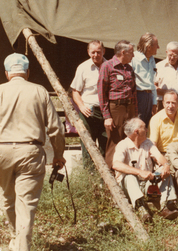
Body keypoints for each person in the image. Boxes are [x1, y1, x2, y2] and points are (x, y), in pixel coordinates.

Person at [0, 53, 66, 251]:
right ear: (27, 72)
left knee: (7, 198)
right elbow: (55, 129)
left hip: (2, 150)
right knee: (26, 203)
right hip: (30, 151)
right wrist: (59, 154)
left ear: (6, 73)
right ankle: (22, 247)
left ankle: (15, 240)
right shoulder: (40, 91)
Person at [112, 118, 178, 221]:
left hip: (147, 183)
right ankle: (141, 207)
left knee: (165, 172)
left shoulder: (148, 143)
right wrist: (139, 172)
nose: (147, 130)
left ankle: (165, 206)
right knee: (129, 177)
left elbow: (159, 156)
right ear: (136, 132)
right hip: (129, 187)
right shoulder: (123, 145)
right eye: (144, 128)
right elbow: (116, 164)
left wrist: (165, 165)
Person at [98, 40, 138, 168]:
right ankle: (111, 173)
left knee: (131, 139)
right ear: (123, 52)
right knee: (115, 141)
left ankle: (128, 171)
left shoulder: (129, 68)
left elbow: (133, 91)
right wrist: (107, 116)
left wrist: (135, 114)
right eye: (131, 52)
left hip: (130, 107)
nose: (133, 55)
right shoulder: (107, 66)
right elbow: (101, 92)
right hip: (116, 108)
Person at [71, 40, 107, 168]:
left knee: (105, 144)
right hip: (89, 111)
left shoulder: (110, 66)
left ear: (104, 51)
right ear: (88, 52)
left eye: (98, 52)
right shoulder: (83, 68)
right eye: (93, 52)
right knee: (88, 146)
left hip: (106, 112)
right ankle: (90, 178)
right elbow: (75, 91)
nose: (96, 55)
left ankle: (104, 179)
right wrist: (81, 106)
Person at [131, 33, 159, 126]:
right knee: (137, 126)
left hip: (149, 97)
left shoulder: (152, 59)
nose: (158, 47)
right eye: (156, 45)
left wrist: (154, 102)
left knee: (147, 126)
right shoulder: (133, 58)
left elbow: (152, 82)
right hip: (139, 96)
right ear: (148, 47)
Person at [155, 41, 178, 110]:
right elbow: (154, 86)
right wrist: (169, 94)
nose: (172, 58)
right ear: (166, 52)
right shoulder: (159, 66)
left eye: (175, 56)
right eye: (170, 55)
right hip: (164, 104)